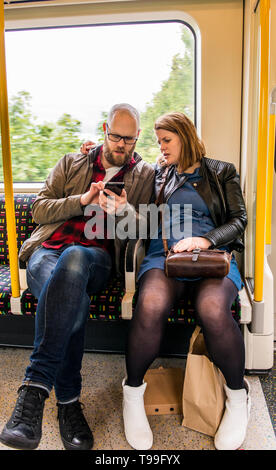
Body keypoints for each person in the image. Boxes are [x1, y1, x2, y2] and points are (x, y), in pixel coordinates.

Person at [0, 103, 155, 451]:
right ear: (104, 129)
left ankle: (34, 388)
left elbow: (148, 229)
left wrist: (125, 212)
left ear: (137, 137)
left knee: (73, 259)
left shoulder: (144, 176)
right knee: (71, 295)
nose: (122, 145)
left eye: (129, 139)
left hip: (94, 259)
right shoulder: (72, 162)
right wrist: (81, 199)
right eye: (116, 136)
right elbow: (39, 208)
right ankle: (68, 403)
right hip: (46, 252)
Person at [121, 112, 249, 451]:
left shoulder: (222, 171)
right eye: (158, 141)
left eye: (167, 140)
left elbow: (239, 219)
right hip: (164, 258)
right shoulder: (158, 173)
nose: (160, 147)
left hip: (211, 257)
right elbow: (126, 169)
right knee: (149, 303)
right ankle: (132, 392)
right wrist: (92, 155)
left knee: (212, 308)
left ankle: (238, 397)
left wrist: (205, 239)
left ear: (185, 136)